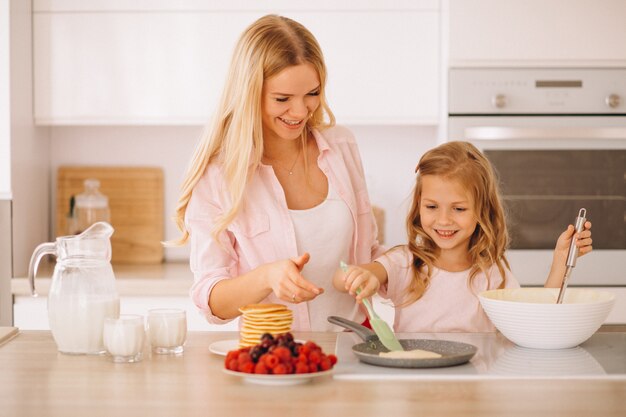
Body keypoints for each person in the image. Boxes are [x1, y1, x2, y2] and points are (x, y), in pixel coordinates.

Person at [172, 14, 384, 331]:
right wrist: (266, 277)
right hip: (275, 360)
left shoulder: (342, 145)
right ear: (249, 93)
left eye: (312, 94)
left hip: (356, 345)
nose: (300, 112)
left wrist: (381, 269)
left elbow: (369, 253)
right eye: (282, 99)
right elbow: (210, 299)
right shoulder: (218, 175)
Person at [334, 141, 593, 332]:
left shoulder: (492, 275)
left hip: (473, 388)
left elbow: (535, 324)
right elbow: (345, 277)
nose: (444, 220)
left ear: (482, 210)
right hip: (415, 388)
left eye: (458, 209)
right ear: (418, 206)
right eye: (432, 207)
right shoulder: (405, 262)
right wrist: (360, 276)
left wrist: (561, 261)